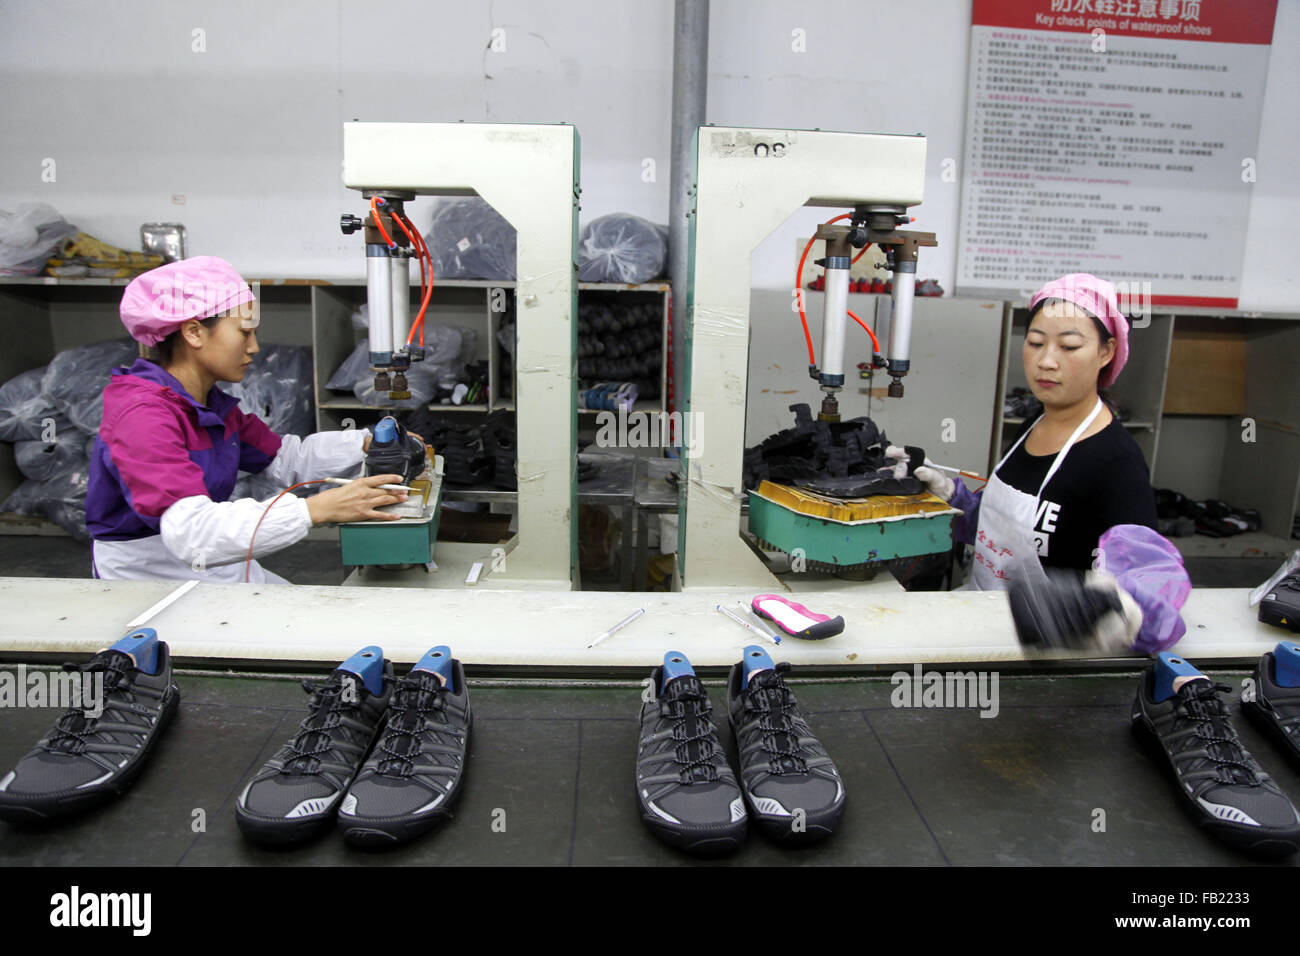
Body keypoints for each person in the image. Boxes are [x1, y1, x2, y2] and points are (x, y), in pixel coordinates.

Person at [906, 273, 1189, 653]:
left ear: (1106, 352)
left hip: (1051, 655)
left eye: (1069, 346)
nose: (1046, 361)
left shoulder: (1115, 461)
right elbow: (1002, 533)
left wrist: (1122, 610)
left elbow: (1153, 581)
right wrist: (952, 500)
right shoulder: (1031, 425)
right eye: (1036, 343)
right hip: (981, 625)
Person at [86, 256, 413, 583]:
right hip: (150, 573)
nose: (255, 347)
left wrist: (364, 445)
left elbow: (285, 458)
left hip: (210, 556)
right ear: (194, 332)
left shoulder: (208, 404)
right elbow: (189, 533)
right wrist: (315, 510)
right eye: (245, 333)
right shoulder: (143, 417)